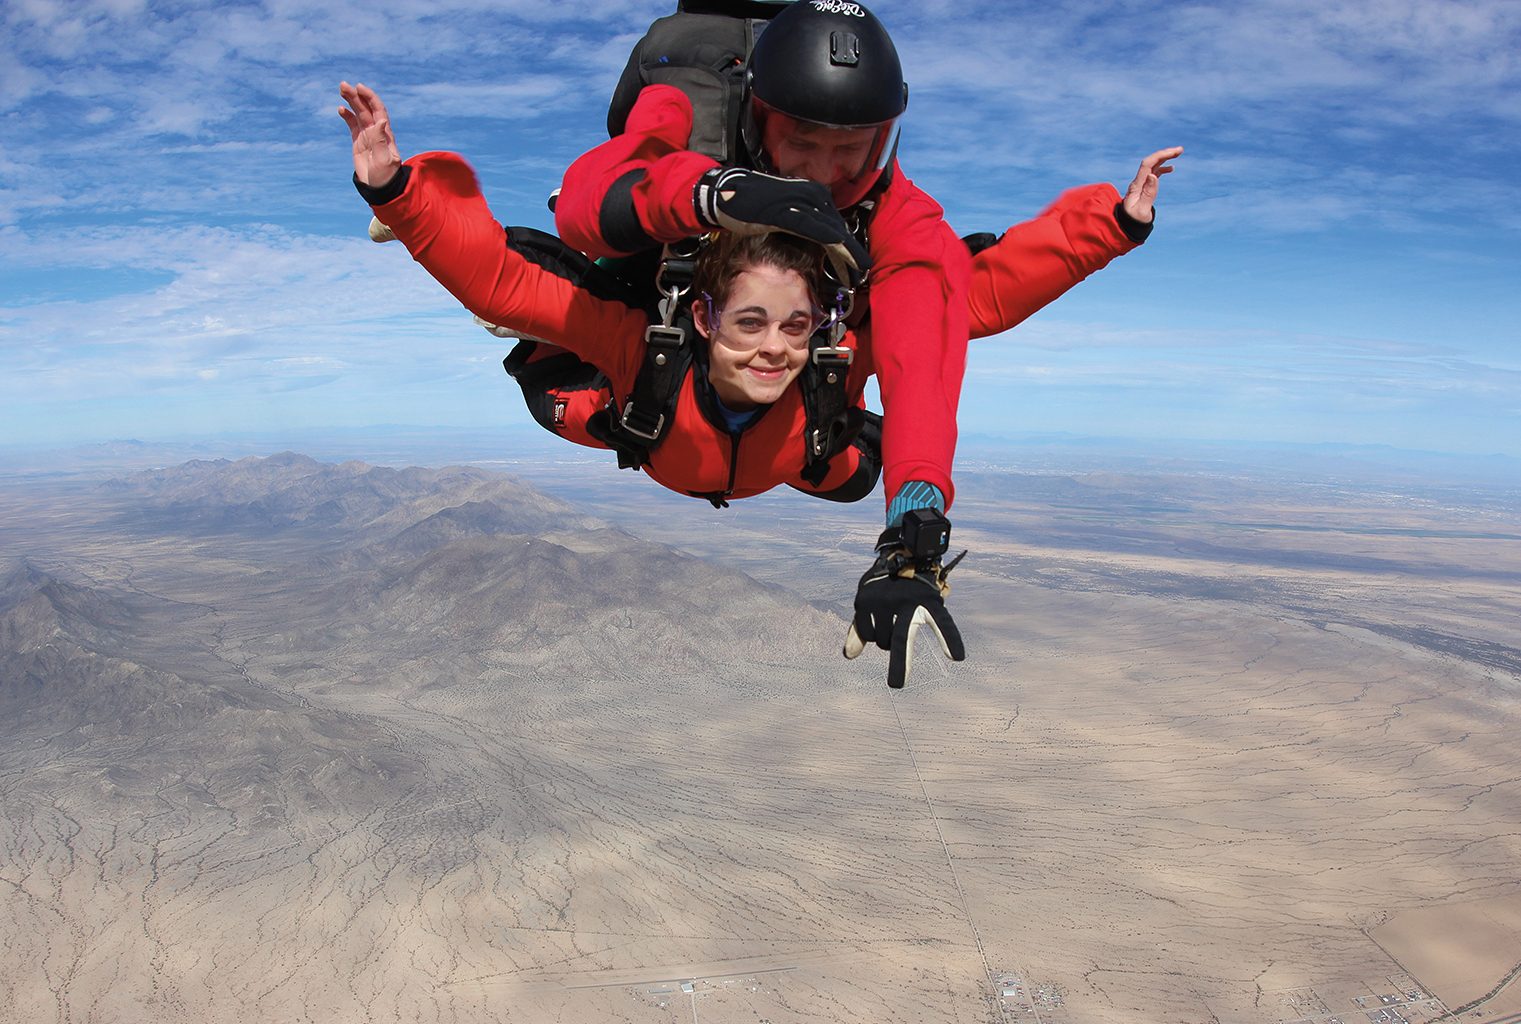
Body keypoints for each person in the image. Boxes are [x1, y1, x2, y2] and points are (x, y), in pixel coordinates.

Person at [339, 81, 1177, 686]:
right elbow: (493, 282)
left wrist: (1109, 225)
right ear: (703, 319)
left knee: (863, 470)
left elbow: (968, 301)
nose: (775, 349)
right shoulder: (649, 344)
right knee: (551, 355)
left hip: (796, 459)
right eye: (748, 324)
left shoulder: (830, 354)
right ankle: (637, 154)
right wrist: (397, 191)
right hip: (638, 422)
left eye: (794, 325)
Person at [552, 1, 1179, 682]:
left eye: (849, 148)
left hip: (782, 420)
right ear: (759, 121)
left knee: (865, 448)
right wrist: (704, 196)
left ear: (881, 140)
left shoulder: (893, 210)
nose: (825, 172)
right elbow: (592, 201)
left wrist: (915, 520)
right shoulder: (690, 111)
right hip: (665, 344)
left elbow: (936, 327)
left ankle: (801, 430)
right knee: (554, 375)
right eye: (803, 142)